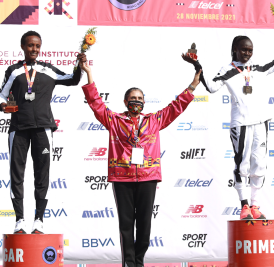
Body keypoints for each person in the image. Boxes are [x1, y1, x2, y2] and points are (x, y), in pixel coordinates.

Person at [80, 60, 201, 267]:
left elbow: (176, 106)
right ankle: (129, 263)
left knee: (144, 224)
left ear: (144, 102)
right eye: (133, 98)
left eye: (140, 98)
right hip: (122, 177)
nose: (136, 101)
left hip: (148, 177)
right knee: (126, 224)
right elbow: (96, 103)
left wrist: (193, 85)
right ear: (125, 101)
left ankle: (139, 261)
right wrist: (89, 73)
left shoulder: (154, 120)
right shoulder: (114, 120)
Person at [182, 26, 274, 220]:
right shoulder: (227, 70)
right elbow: (212, 88)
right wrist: (197, 66)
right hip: (240, 124)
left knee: (259, 163)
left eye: (250, 50)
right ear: (235, 50)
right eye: (243, 49)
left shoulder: (257, 68)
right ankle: (244, 206)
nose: (247, 53)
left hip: (261, 122)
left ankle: (256, 206)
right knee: (242, 165)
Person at [0, 30, 87, 234]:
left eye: (37, 45)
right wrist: (3, 107)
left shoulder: (48, 70)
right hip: (18, 128)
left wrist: (79, 65)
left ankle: (39, 220)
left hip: (43, 128)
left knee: (42, 174)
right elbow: (0, 96)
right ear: (23, 47)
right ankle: (19, 220)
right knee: (16, 174)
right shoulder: (14, 71)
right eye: (30, 45)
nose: (34, 49)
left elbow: (72, 79)